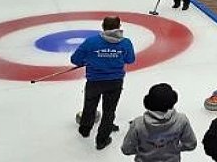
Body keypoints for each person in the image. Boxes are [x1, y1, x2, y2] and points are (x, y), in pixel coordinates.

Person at [71, 16, 136, 150]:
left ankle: (85, 129)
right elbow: (130, 60)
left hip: (94, 81)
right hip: (115, 82)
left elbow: (75, 59)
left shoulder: (91, 42)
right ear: (119, 27)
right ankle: (102, 140)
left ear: (103, 26)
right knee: (109, 110)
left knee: (89, 105)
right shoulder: (125, 43)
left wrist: (86, 60)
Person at [121, 83, 197, 162]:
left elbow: (126, 149)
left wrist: (142, 150)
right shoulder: (181, 120)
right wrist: (174, 148)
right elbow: (191, 144)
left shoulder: (138, 124)